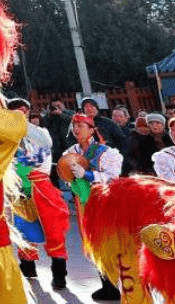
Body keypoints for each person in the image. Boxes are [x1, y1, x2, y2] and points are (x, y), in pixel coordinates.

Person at [7, 99, 70, 291]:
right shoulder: (5, 136)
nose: (20, 114)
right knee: (23, 229)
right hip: (18, 188)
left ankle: (59, 273)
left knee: (53, 228)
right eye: (15, 112)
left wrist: (18, 164)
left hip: (41, 187)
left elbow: (44, 151)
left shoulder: (40, 133)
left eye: (23, 111)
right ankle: (27, 267)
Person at [62, 112, 124, 302]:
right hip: (82, 202)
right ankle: (105, 282)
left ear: (91, 130)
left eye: (81, 125)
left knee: (105, 239)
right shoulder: (70, 152)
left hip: (102, 201)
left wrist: (88, 175)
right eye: (74, 126)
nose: (76, 129)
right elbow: (65, 174)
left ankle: (114, 284)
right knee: (90, 240)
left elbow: (113, 177)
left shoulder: (105, 152)